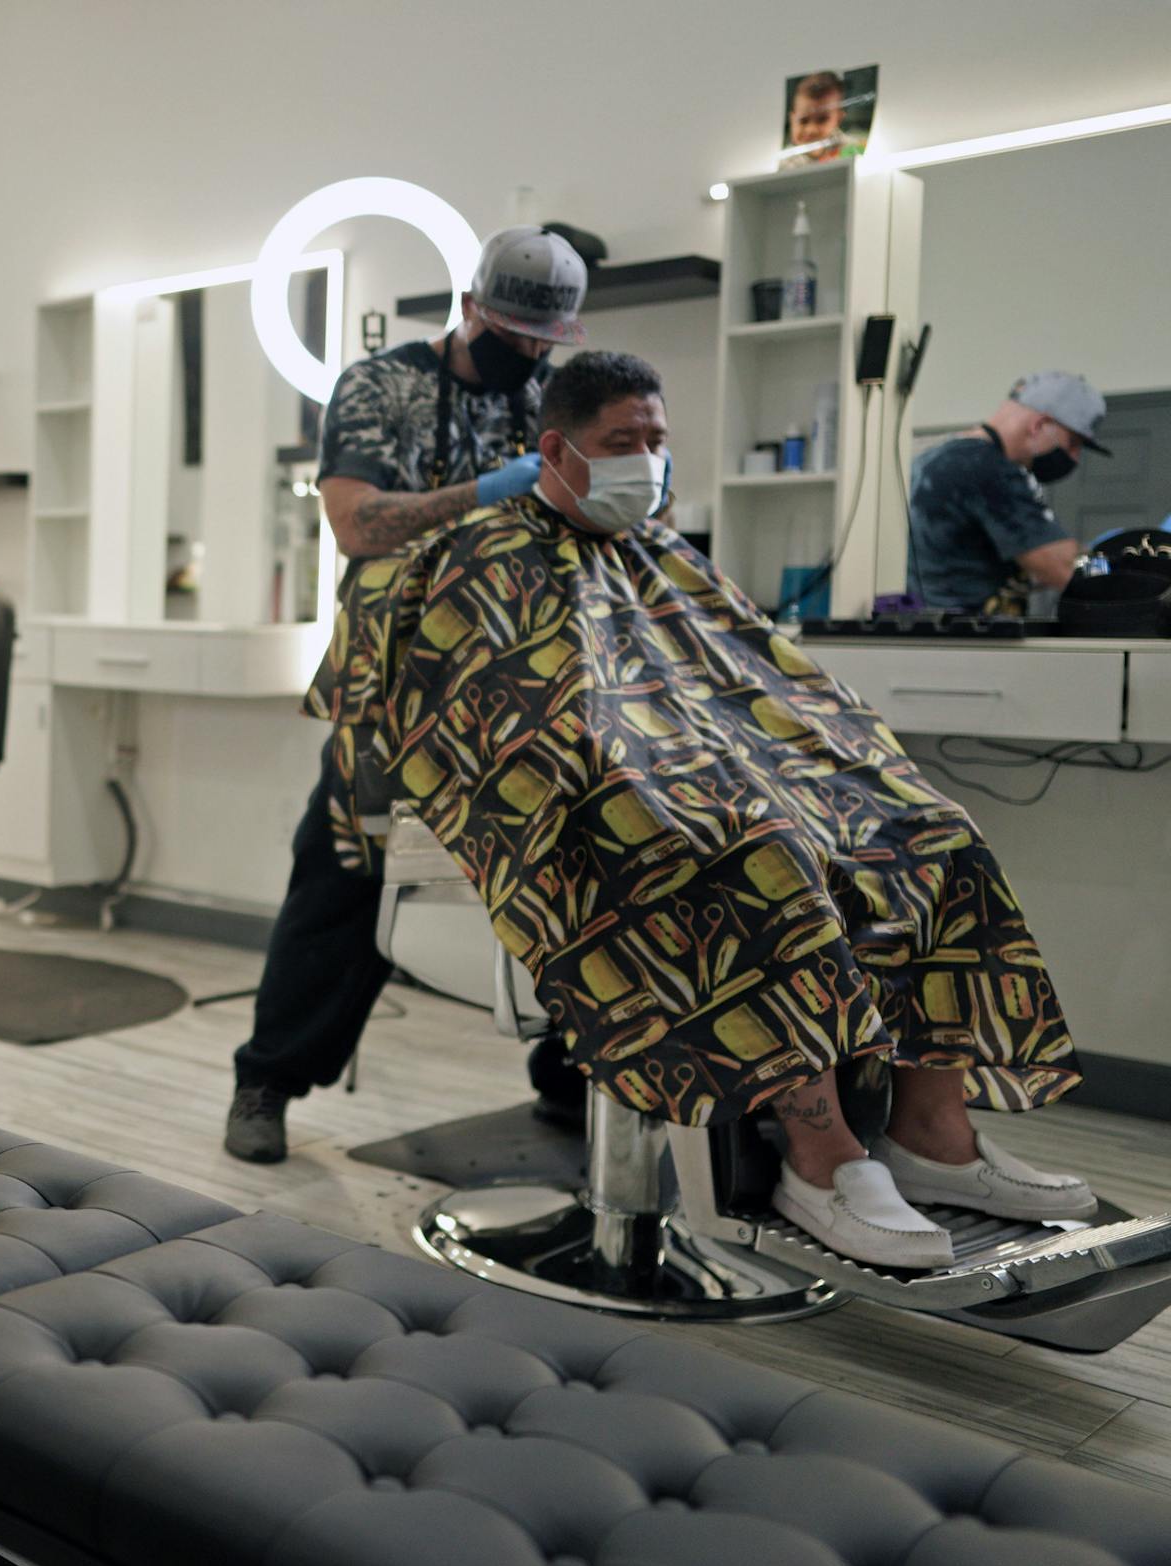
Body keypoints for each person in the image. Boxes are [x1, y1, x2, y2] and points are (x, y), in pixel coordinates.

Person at [369, 349, 1094, 1269]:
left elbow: (760, 686)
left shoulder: (665, 554)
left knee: (930, 833)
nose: (647, 457)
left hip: (704, 782)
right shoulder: (477, 555)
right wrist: (671, 774)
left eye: (657, 439)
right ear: (555, 449)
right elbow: (501, 726)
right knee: (761, 847)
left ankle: (931, 1134)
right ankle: (820, 1156)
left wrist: (782, 767)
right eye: (620, 440)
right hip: (594, 809)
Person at [225, 226, 589, 1164]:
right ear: (471, 309)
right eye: (517, 336)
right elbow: (356, 526)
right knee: (345, 868)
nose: (533, 357)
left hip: (531, 677)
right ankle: (267, 1078)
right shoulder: (380, 386)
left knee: (581, 863)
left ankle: (578, 1076)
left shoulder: (554, 396)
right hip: (400, 676)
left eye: (549, 341)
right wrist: (487, 491)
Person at [908, 372, 1110, 613]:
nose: (1075, 457)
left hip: (924, 628)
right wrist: (1109, 567)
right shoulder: (989, 469)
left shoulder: (934, 458)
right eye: (1073, 443)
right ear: (1039, 425)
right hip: (967, 635)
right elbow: (1062, 567)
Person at [783, 70, 848, 166]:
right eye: (803, 120)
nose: (811, 130)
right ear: (792, 119)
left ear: (838, 119)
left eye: (822, 120)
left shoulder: (849, 147)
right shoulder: (785, 161)